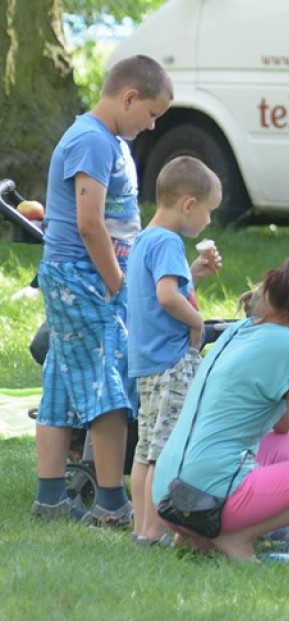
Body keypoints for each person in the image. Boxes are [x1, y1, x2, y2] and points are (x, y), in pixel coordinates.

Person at [31, 55, 174, 526]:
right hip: (83, 278)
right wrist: (119, 287)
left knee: (60, 378)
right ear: (129, 97)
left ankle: (51, 497)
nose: (151, 126)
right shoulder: (92, 141)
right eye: (150, 114)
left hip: (82, 275)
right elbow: (90, 225)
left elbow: (116, 221)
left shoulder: (106, 140)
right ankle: (112, 502)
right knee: (110, 386)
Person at [151, 254, 289, 560]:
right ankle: (237, 535)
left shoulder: (239, 330)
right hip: (210, 499)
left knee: (275, 453)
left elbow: (281, 427)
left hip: (166, 494)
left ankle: (197, 537)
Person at [125, 156, 222, 545]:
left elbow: (160, 287)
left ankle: (140, 528)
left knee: (145, 447)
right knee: (165, 451)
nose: (209, 221)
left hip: (148, 363)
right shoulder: (168, 242)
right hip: (171, 361)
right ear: (188, 205)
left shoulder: (145, 239)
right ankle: (153, 531)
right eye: (209, 211)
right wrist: (197, 324)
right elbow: (167, 297)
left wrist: (192, 272)